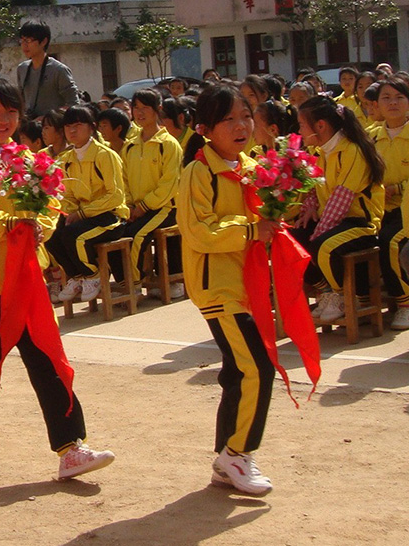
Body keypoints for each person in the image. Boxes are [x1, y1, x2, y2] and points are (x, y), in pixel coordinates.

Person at [0, 76, 114, 476]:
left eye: (11, 111)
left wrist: (40, 227)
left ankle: (71, 447)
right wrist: (10, 225)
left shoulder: (27, 158)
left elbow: (51, 204)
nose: (3, 120)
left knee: (48, 360)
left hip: (29, 278)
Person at [176, 83, 278, 495]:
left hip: (247, 281)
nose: (241, 126)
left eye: (246, 117)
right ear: (204, 128)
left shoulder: (251, 166)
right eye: (229, 119)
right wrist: (251, 229)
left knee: (238, 371)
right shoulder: (199, 172)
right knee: (257, 368)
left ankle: (226, 457)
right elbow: (198, 231)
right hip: (218, 287)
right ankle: (238, 453)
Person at [292, 96, 385, 323]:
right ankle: (326, 290)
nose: (300, 131)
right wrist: (309, 209)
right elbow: (316, 186)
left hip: (360, 222)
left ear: (320, 126)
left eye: (302, 125)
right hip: (335, 220)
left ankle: (342, 295)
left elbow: (342, 198)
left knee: (322, 245)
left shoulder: (351, 151)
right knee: (292, 239)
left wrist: (319, 231)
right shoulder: (323, 151)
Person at [46, 105, 128, 303]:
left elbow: (115, 195)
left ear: (92, 127)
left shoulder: (104, 155)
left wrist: (82, 213)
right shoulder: (66, 159)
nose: (72, 131)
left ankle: (92, 274)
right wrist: (66, 213)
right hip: (82, 215)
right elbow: (68, 194)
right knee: (51, 233)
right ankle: (76, 276)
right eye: (68, 126)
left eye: (78, 125)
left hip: (110, 216)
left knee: (74, 236)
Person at [108, 89, 184, 299]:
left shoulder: (168, 144)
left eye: (145, 108)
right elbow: (123, 179)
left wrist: (143, 207)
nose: (139, 113)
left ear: (158, 109)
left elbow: (169, 184)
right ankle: (126, 281)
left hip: (164, 208)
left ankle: (133, 286)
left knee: (137, 236)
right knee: (114, 234)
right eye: (136, 108)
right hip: (136, 209)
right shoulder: (130, 145)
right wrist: (129, 205)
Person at [371, 79, 409, 330]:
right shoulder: (372, 137)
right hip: (378, 207)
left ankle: (404, 303)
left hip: (406, 209)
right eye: (386, 98)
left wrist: (397, 188)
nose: (393, 103)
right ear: (376, 104)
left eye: (399, 97)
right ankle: (362, 300)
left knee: (391, 241)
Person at [16, 20, 79, 118]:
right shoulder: (22, 69)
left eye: (28, 40)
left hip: (54, 126)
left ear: (44, 41)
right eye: (22, 40)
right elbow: (22, 101)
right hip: (30, 125)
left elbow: (74, 104)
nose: (24, 45)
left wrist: (48, 118)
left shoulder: (59, 70)